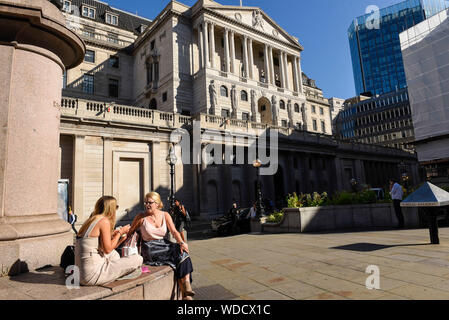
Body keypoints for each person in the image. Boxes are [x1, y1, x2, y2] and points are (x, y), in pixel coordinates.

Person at [128, 192, 195, 300]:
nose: (147, 205)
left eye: (150, 202)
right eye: (146, 203)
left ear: (157, 204)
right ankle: (185, 293)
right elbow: (130, 232)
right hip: (150, 248)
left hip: (164, 244)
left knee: (182, 250)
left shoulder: (165, 215)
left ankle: (186, 285)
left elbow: (174, 231)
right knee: (178, 257)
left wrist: (182, 242)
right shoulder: (141, 217)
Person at [75, 196, 143, 286]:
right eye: (116, 207)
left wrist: (118, 238)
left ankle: (117, 272)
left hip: (80, 275)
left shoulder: (92, 220)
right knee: (138, 258)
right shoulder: (104, 221)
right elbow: (107, 249)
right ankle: (119, 273)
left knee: (114, 254)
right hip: (93, 276)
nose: (116, 210)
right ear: (111, 208)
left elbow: (107, 249)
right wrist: (120, 233)